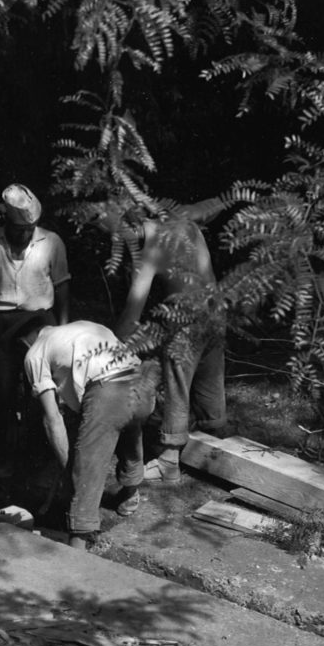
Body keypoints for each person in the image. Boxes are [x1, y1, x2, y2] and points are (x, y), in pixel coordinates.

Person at [114, 200, 227, 487]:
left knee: (177, 383)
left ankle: (169, 463)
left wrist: (112, 346)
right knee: (209, 377)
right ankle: (215, 446)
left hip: (186, 318)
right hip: (216, 310)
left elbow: (133, 310)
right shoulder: (186, 225)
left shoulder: (152, 245)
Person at [23, 321, 161, 550]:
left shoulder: (34, 352)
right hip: (144, 383)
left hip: (109, 392)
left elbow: (52, 418)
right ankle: (130, 493)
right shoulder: (82, 327)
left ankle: (78, 543)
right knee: (129, 429)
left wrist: (71, 471)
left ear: (26, 339)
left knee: (88, 466)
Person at [0, 184, 70, 475]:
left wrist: (62, 328)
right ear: (7, 223)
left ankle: (41, 455)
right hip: (0, 322)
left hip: (40, 322)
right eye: (18, 229)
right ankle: (4, 457)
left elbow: (62, 285)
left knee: (42, 391)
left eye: (30, 229)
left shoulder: (52, 242)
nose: (24, 235)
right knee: (1, 391)